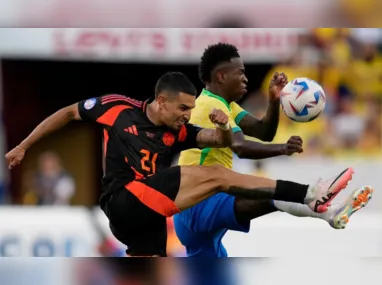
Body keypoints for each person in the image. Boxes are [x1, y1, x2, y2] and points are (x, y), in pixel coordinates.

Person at [6, 71, 356, 257]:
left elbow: (221, 141)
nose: (187, 116)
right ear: (161, 101)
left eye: (191, 110)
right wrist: (23, 146)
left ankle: (311, 199)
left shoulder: (180, 132)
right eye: (183, 109)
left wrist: (221, 127)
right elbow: (68, 113)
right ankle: (309, 193)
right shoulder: (116, 108)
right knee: (218, 177)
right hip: (121, 200)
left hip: (146, 217)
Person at [174, 43, 374, 257]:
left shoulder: (228, 106)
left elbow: (263, 132)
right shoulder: (209, 105)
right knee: (271, 193)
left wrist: (274, 100)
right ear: (221, 76)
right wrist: (283, 149)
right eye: (240, 73)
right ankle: (320, 202)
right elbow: (240, 147)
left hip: (198, 204)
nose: (246, 79)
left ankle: (328, 210)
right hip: (198, 201)